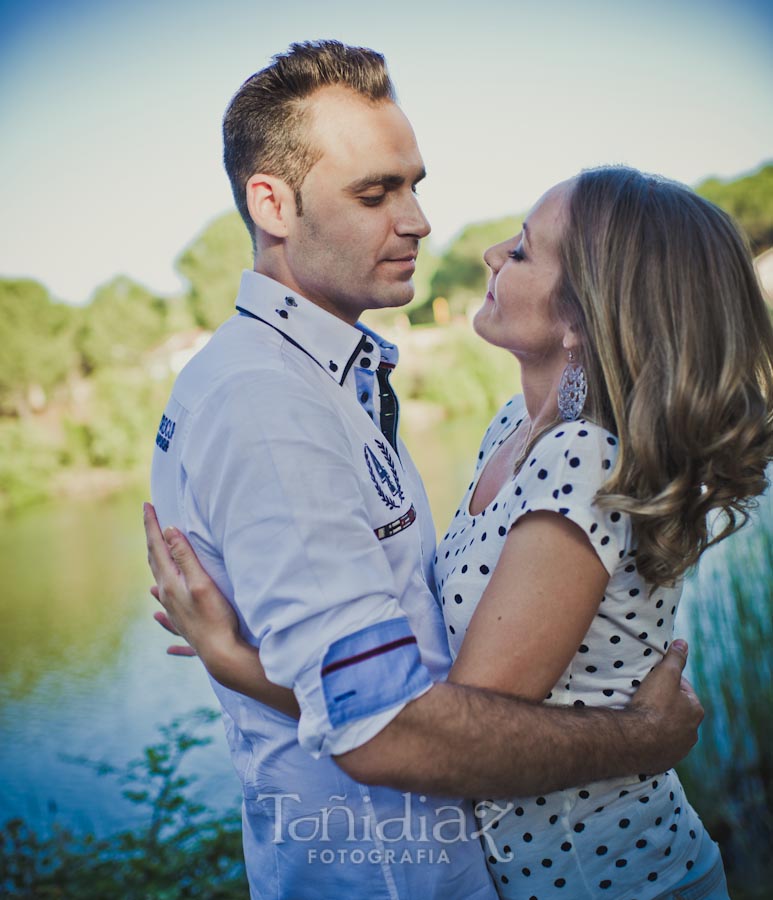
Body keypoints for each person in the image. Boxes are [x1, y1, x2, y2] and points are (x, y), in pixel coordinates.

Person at [148, 40, 704, 900]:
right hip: (383, 873)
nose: (418, 221)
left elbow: (417, 673)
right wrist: (641, 737)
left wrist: (240, 661)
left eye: (414, 185)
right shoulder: (268, 407)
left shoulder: (335, 379)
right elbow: (389, 730)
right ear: (273, 204)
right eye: (375, 193)